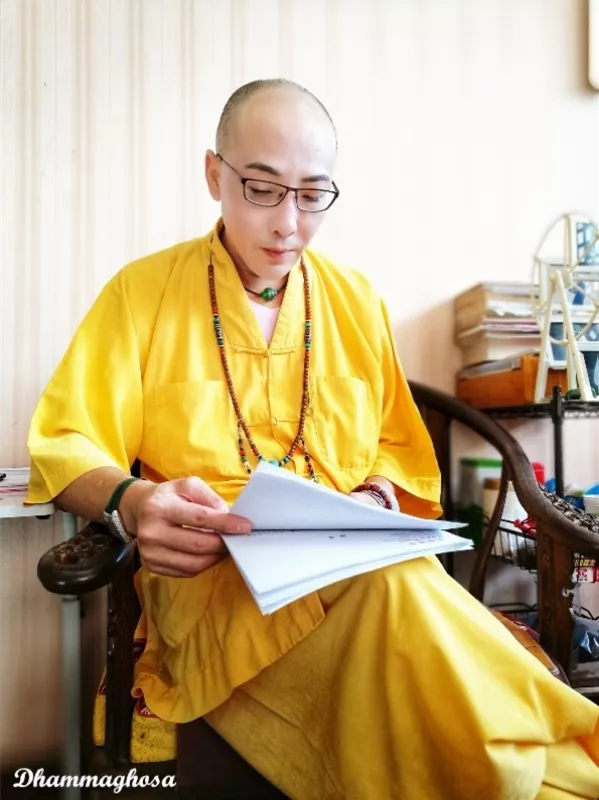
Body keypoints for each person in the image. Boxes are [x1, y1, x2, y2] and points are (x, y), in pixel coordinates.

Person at [27, 79, 599, 799]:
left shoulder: (354, 299)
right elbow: (67, 439)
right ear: (214, 175)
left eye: (311, 194)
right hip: (220, 589)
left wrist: (377, 495)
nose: (287, 224)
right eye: (262, 189)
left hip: (352, 567)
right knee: (404, 602)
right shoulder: (140, 295)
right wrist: (133, 501)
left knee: (396, 588)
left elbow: (398, 450)